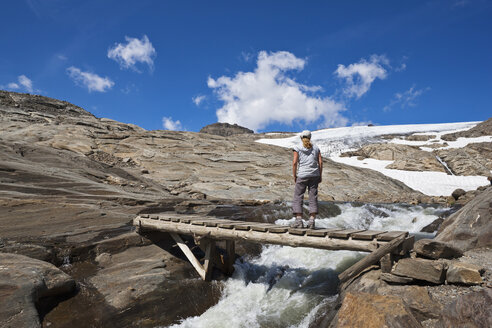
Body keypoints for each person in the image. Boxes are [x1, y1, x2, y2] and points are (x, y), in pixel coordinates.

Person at [291, 130, 322, 229]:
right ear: (310, 138)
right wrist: (320, 175)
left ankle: (299, 221)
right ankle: (312, 221)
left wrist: (294, 175)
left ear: (301, 138)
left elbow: (295, 162)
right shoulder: (316, 148)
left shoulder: (297, 148)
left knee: (298, 196)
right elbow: (320, 163)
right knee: (313, 197)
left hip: (302, 175)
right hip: (314, 175)